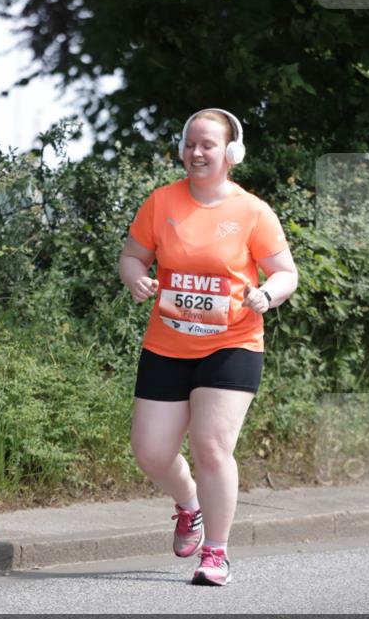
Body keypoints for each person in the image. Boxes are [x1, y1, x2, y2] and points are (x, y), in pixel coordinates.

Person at [118, 108, 298, 585]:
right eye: (191, 144)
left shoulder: (252, 211)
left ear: (230, 154)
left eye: (208, 145)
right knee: (150, 452)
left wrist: (268, 294)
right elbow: (132, 256)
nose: (197, 153)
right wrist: (136, 279)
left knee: (211, 444)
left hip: (233, 344)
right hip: (166, 343)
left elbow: (286, 272)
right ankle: (189, 504)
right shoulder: (161, 202)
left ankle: (216, 553)